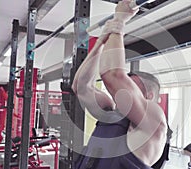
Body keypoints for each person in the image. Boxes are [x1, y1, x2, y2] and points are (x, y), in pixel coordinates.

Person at [71, 0, 167, 168]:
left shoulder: (153, 122)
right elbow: (81, 86)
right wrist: (102, 39)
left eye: (131, 86)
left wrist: (119, 21)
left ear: (148, 96)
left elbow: (114, 76)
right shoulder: (111, 112)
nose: (119, 93)